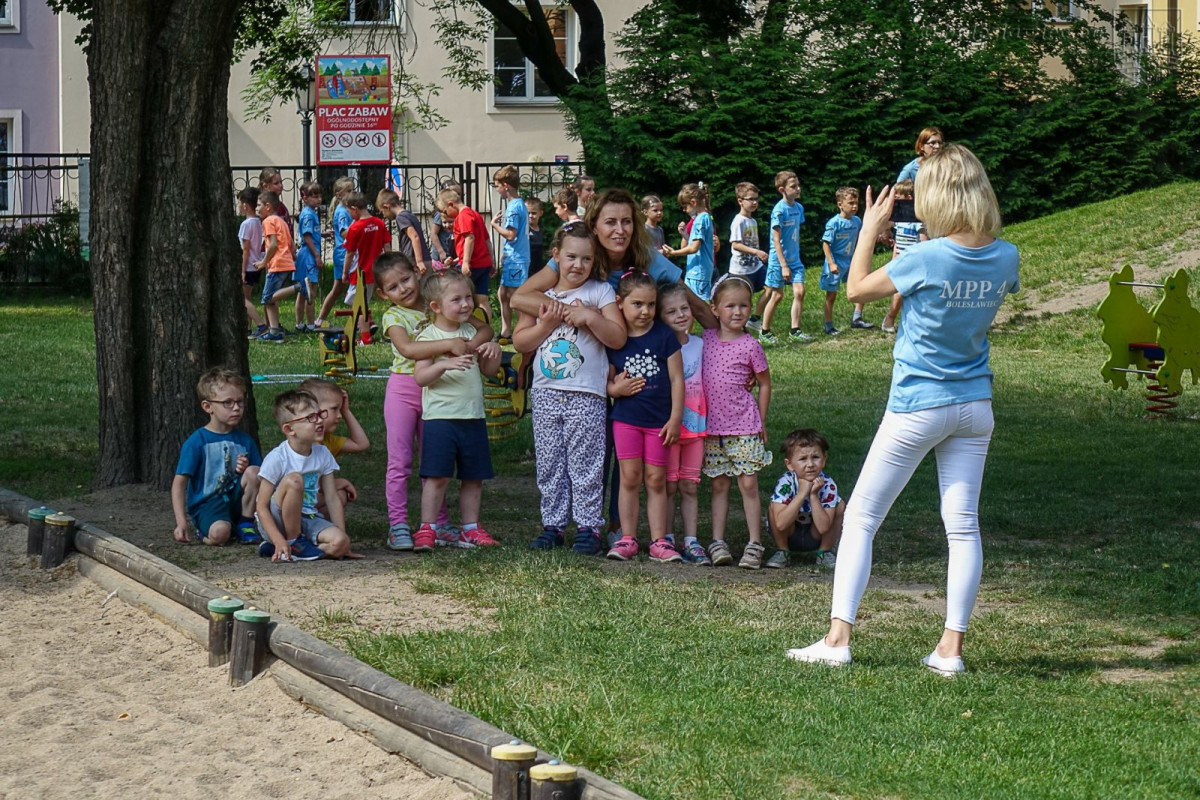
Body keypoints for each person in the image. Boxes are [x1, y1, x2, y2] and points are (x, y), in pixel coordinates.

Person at [787, 143, 1020, 676]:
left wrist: (870, 227)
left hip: (919, 403)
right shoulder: (1007, 254)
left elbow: (855, 291)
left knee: (863, 517)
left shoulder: (926, 257)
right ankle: (949, 650)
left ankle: (837, 638)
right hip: (975, 403)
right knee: (963, 527)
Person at [514, 223, 625, 553]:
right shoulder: (539, 299)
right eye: (571, 257)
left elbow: (617, 337)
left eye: (586, 259)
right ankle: (554, 525)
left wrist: (590, 318)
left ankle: (589, 528)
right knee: (550, 462)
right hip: (546, 392)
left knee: (587, 463)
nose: (578, 265)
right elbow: (521, 342)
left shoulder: (600, 292)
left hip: (588, 393)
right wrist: (548, 323)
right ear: (556, 256)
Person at [377, 253, 491, 550]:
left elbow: (485, 329)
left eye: (406, 279)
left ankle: (439, 524)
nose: (402, 289)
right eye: (393, 287)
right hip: (405, 390)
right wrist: (450, 346)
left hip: (443, 397)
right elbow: (407, 349)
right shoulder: (394, 316)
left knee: (435, 462)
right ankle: (398, 523)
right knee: (400, 460)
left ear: (418, 273)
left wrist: (470, 346)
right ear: (383, 294)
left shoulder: (448, 302)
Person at [413, 270, 504, 550]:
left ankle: (470, 528)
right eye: (457, 299)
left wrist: (494, 354)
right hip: (440, 418)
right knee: (437, 477)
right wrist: (442, 364)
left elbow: (488, 372)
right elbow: (421, 378)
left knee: (473, 478)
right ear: (436, 307)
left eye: (468, 297)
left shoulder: (471, 333)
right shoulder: (429, 338)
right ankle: (428, 528)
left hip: (473, 417)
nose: (466, 304)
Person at [605, 271, 683, 562]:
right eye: (637, 304)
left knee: (655, 479)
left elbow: (677, 380)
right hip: (626, 420)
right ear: (620, 303)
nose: (646, 311)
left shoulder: (664, 335)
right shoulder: (616, 338)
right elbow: (607, 380)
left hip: (659, 423)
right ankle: (627, 539)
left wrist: (675, 418)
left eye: (651, 305)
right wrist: (616, 388)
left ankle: (659, 541)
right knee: (630, 478)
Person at [701, 275, 772, 568]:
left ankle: (755, 544)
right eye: (730, 306)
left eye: (744, 306)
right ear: (715, 309)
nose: (738, 312)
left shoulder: (751, 345)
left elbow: (765, 384)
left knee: (748, 484)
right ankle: (718, 543)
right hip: (711, 430)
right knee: (719, 485)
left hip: (744, 427)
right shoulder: (704, 340)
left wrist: (762, 420)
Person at [256, 389, 356, 562]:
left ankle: (287, 548)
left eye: (319, 414)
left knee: (340, 543)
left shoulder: (323, 453)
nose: (319, 421)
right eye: (311, 418)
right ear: (289, 429)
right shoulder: (278, 457)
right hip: (277, 520)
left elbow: (331, 498)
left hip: (308, 516)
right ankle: (289, 542)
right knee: (294, 480)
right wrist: (278, 538)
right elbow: (261, 507)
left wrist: (343, 538)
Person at [171, 368, 261, 546]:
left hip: (238, 502)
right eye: (227, 402)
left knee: (254, 471)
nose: (236, 408)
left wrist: (246, 469)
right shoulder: (197, 442)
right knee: (220, 534)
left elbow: (262, 477)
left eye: (240, 402)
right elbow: (179, 482)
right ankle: (203, 534)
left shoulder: (245, 440)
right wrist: (181, 522)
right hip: (208, 505)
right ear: (208, 406)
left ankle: (245, 523)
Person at [657, 283, 710, 565]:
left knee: (690, 485)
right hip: (668, 428)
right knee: (668, 486)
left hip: (697, 428)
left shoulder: (701, 344)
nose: (680, 315)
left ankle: (691, 540)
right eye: (671, 311)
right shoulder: (659, 346)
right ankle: (665, 537)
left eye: (684, 309)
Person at [765, 428, 844, 569]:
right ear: (789, 464)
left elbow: (823, 527)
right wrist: (801, 494)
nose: (810, 464)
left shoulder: (828, 485)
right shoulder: (786, 483)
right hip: (790, 534)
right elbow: (781, 524)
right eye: (802, 459)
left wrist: (813, 496)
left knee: (840, 505)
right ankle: (783, 551)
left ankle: (824, 552)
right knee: (774, 505)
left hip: (816, 535)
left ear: (824, 460)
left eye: (815, 457)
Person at [297, 377, 368, 522]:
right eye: (335, 409)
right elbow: (305, 487)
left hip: (311, 500)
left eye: (340, 409)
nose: (340, 415)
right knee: (338, 492)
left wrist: (346, 411)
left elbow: (361, 444)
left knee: (340, 495)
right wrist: (339, 482)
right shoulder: (302, 443)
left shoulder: (328, 440)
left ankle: (317, 527)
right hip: (295, 503)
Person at [761, 171, 810, 344]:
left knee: (800, 292)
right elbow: (776, 239)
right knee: (777, 295)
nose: (798, 189)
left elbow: (795, 233)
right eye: (793, 186)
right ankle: (764, 332)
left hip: (794, 259)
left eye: (798, 185)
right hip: (779, 261)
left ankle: (795, 330)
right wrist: (783, 265)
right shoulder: (779, 211)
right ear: (782, 189)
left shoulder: (799, 208)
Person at [435, 187, 494, 326]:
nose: (446, 215)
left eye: (445, 212)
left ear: (451, 204)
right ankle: (486, 329)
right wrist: (491, 260)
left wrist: (465, 262)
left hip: (472, 265)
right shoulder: (476, 214)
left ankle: (455, 326)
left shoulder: (463, 216)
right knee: (482, 300)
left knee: (455, 295)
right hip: (483, 263)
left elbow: (470, 238)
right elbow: (486, 240)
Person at [820, 186, 873, 335]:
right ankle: (829, 326)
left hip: (851, 261)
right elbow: (826, 244)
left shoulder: (857, 221)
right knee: (831, 296)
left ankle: (857, 318)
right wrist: (831, 263)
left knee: (863, 286)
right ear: (840, 205)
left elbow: (865, 235)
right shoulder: (834, 223)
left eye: (856, 203)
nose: (855, 206)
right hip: (836, 262)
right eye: (850, 203)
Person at [490, 165, 531, 343]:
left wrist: (494, 225)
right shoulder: (518, 204)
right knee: (503, 293)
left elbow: (511, 235)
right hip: (513, 256)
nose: (497, 189)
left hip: (517, 258)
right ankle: (506, 331)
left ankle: (524, 331)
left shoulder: (514, 207)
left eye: (497, 185)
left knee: (516, 297)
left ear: (506, 185)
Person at [342, 191, 390, 344]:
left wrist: (344, 272)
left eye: (348, 211)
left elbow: (349, 253)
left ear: (354, 208)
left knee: (357, 305)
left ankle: (365, 337)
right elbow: (387, 246)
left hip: (359, 272)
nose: (349, 214)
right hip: (374, 271)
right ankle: (367, 324)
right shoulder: (379, 223)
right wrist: (388, 265)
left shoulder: (355, 228)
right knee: (360, 302)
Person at [881, 179, 927, 334]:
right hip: (901, 260)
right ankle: (890, 318)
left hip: (916, 261)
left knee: (916, 293)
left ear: (909, 198)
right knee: (899, 292)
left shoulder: (918, 221)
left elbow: (924, 243)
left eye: (899, 198)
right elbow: (897, 243)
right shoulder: (899, 221)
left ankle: (912, 322)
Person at [254, 190, 297, 343]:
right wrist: (292, 258)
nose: (256, 208)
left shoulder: (268, 221)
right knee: (270, 300)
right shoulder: (282, 221)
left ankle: (298, 288)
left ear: (268, 206)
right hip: (285, 262)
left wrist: (263, 262)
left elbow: (272, 245)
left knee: (266, 298)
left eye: (259, 205)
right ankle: (274, 331)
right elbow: (292, 245)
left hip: (277, 264)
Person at [663, 182, 715, 301]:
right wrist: (685, 235)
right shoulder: (705, 216)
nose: (684, 210)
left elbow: (694, 248)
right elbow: (698, 244)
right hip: (702, 271)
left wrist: (674, 252)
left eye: (685, 206)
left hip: (697, 273)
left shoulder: (700, 220)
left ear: (693, 202)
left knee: (697, 306)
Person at [315, 176, 355, 329]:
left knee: (340, 289)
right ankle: (359, 321)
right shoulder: (343, 212)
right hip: (343, 254)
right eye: (349, 191)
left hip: (344, 252)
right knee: (348, 287)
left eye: (353, 190)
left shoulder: (346, 210)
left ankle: (321, 319)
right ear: (339, 195)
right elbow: (345, 233)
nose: (352, 194)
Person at [728, 182, 768, 331]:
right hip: (741, 270)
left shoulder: (753, 221)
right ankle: (740, 330)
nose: (754, 202)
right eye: (750, 199)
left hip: (756, 266)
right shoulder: (738, 221)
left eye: (756, 199)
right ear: (740, 201)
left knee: (771, 288)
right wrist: (756, 252)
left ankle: (755, 319)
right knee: (743, 301)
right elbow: (736, 244)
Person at [376, 188, 433, 273]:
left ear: (386, 207)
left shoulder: (401, 217)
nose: (384, 215)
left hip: (416, 263)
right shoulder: (409, 214)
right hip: (425, 259)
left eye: (382, 212)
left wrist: (419, 261)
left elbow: (414, 236)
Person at [237, 187, 268, 339]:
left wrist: (242, 270)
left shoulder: (246, 224)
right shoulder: (257, 222)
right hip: (256, 264)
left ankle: (261, 325)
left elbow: (245, 249)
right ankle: (247, 328)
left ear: (245, 205)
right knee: (247, 298)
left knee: (243, 299)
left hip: (248, 266)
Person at [294, 180, 323, 333]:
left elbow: (311, 232)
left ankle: (299, 323)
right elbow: (306, 236)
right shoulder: (308, 215)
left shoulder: (311, 213)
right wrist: (317, 256)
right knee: (310, 290)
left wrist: (322, 234)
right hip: (308, 256)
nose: (318, 199)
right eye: (314, 196)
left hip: (308, 254)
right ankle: (311, 324)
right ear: (305, 198)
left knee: (303, 291)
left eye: (319, 196)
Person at [430, 180, 459, 268]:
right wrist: (441, 252)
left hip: (451, 255)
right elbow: (433, 233)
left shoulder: (456, 211)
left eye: (458, 194)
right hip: (441, 257)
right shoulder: (441, 213)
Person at [258, 167, 292, 233]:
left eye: (281, 182)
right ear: (265, 186)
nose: (281, 185)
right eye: (276, 183)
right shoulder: (266, 208)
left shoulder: (280, 205)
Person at [527, 197, 546, 275]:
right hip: (525, 270)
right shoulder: (523, 230)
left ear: (541, 213)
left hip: (538, 270)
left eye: (534, 213)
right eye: (528, 213)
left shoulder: (543, 231)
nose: (530, 216)